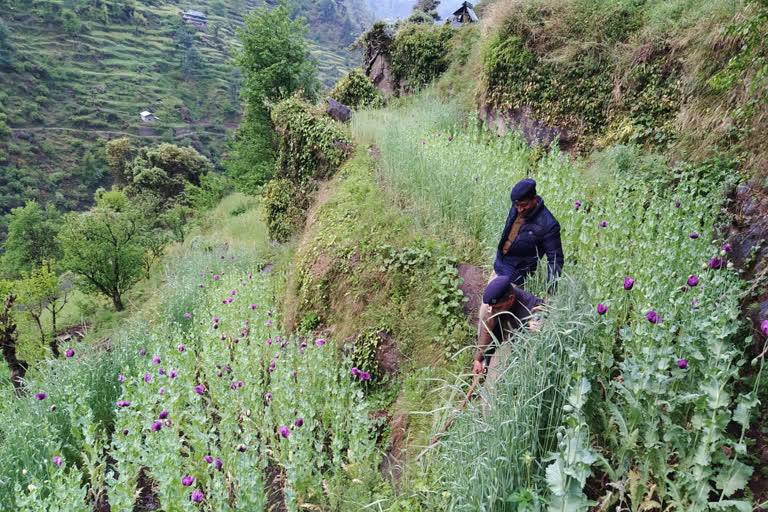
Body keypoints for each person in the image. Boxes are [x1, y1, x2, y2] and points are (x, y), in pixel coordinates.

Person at [494, 178, 563, 287]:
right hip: (499, 265)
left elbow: (555, 260)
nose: (520, 209)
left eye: (524, 205)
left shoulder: (549, 225)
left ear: (534, 198)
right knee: (486, 299)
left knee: (490, 303)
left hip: (514, 279)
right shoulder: (516, 206)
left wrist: (550, 290)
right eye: (517, 205)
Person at [473, 275, 543, 375]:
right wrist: (478, 359)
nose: (493, 311)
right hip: (507, 337)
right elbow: (487, 332)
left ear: (511, 298)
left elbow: (534, 352)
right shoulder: (496, 307)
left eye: (497, 308)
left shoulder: (534, 312)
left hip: (522, 353)